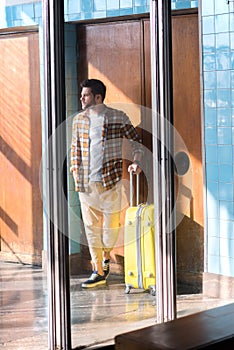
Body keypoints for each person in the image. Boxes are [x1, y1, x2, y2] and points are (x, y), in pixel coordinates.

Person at [70, 79, 143, 288]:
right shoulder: (79, 120)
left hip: (110, 181)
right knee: (91, 228)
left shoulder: (117, 117)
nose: (81, 99)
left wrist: (136, 162)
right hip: (85, 185)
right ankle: (99, 271)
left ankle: (106, 256)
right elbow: (74, 149)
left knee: (110, 227)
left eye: (85, 95)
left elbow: (135, 142)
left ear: (98, 97)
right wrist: (74, 170)